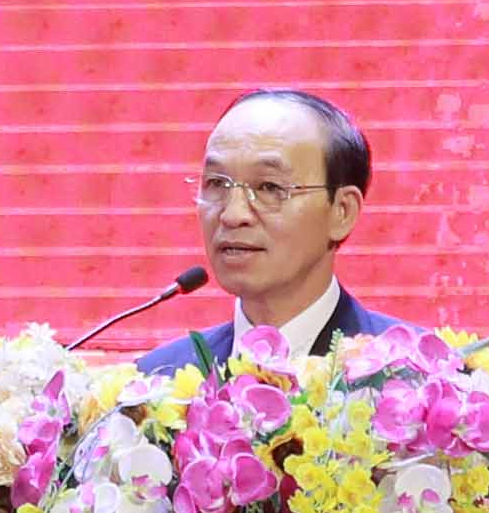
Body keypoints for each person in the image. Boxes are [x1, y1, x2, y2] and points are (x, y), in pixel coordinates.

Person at [144, 86, 425, 375]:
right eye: (216, 183)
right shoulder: (157, 381)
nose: (233, 214)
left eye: (269, 187)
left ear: (342, 211)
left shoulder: (417, 379)